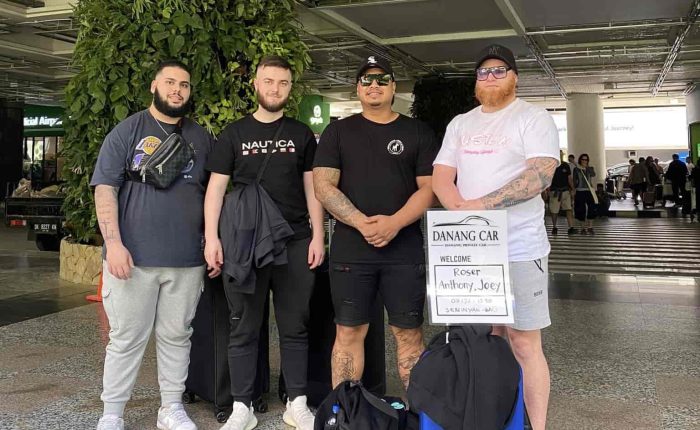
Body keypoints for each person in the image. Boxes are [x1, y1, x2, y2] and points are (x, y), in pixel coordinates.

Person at [431, 44, 558, 430]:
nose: (490, 77)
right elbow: (441, 175)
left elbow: (541, 174)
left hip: (520, 247)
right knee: (483, 340)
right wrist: (459, 211)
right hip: (473, 252)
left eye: (499, 70)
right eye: (483, 72)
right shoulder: (461, 123)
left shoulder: (532, 118)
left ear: (515, 76)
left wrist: (481, 207)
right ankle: (490, 416)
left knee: (523, 342)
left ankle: (535, 425)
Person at [203, 55, 324, 430]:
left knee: (295, 325)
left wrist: (318, 235)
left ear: (290, 87)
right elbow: (215, 191)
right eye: (269, 81)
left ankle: (297, 402)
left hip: (294, 241)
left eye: (283, 83)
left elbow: (312, 188)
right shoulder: (232, 134)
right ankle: (242, 407)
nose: (275, 89)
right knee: (243, 326)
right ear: (256, 84)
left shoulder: (301, 133)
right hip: (244, 245)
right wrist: (212, 238)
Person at [91, 60, 213, 430]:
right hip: (133, 259)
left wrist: (212, 242)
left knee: (178, 336)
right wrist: (113, 244)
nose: (177, 90)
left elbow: (214, 194)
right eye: (170, 82)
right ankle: (112, 413)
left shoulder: (202, 138)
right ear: (154, 86)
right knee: (126, 338)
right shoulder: (126, 132)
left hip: (187, 260)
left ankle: (171, 408)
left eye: (185, 85)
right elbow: (105, 189)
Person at [313, 56, 438, 393]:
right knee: (349, 332)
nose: (374, 85)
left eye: (382, 79)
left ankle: (419, 414)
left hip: (404, 251)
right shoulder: (338, 131)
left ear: (394, 87)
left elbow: (430, 189)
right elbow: (323, 186)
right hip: (352, 252)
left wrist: (395, 223)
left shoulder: (417, 131)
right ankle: (346, 413)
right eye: (366, 80)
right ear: (357, 88)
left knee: (409, 334)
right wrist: (360, 223)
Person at [547, 152, 575, 235]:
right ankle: (554, 226)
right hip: (555, 191)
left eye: (561, 154)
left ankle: (571, 228)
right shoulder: (550, 165)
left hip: (565, 191)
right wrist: (548, 190)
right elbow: (547, 178)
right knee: (554, 211)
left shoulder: (565, 165)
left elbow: (569, 178)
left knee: (569, 209)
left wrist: (573, 188)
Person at [573, 154, 597, 234]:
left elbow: (593, 174)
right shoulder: (576, 169)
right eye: (583, 159)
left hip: (589, 191)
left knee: (592, 208)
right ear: (580, 160)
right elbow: (574, 181)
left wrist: (586, 168)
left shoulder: (590, 168)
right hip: (580, 191)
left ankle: (590, 227)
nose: (584, 161)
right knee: (580, 210)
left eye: (586, 160)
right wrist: (573, 190)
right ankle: (583, 228)